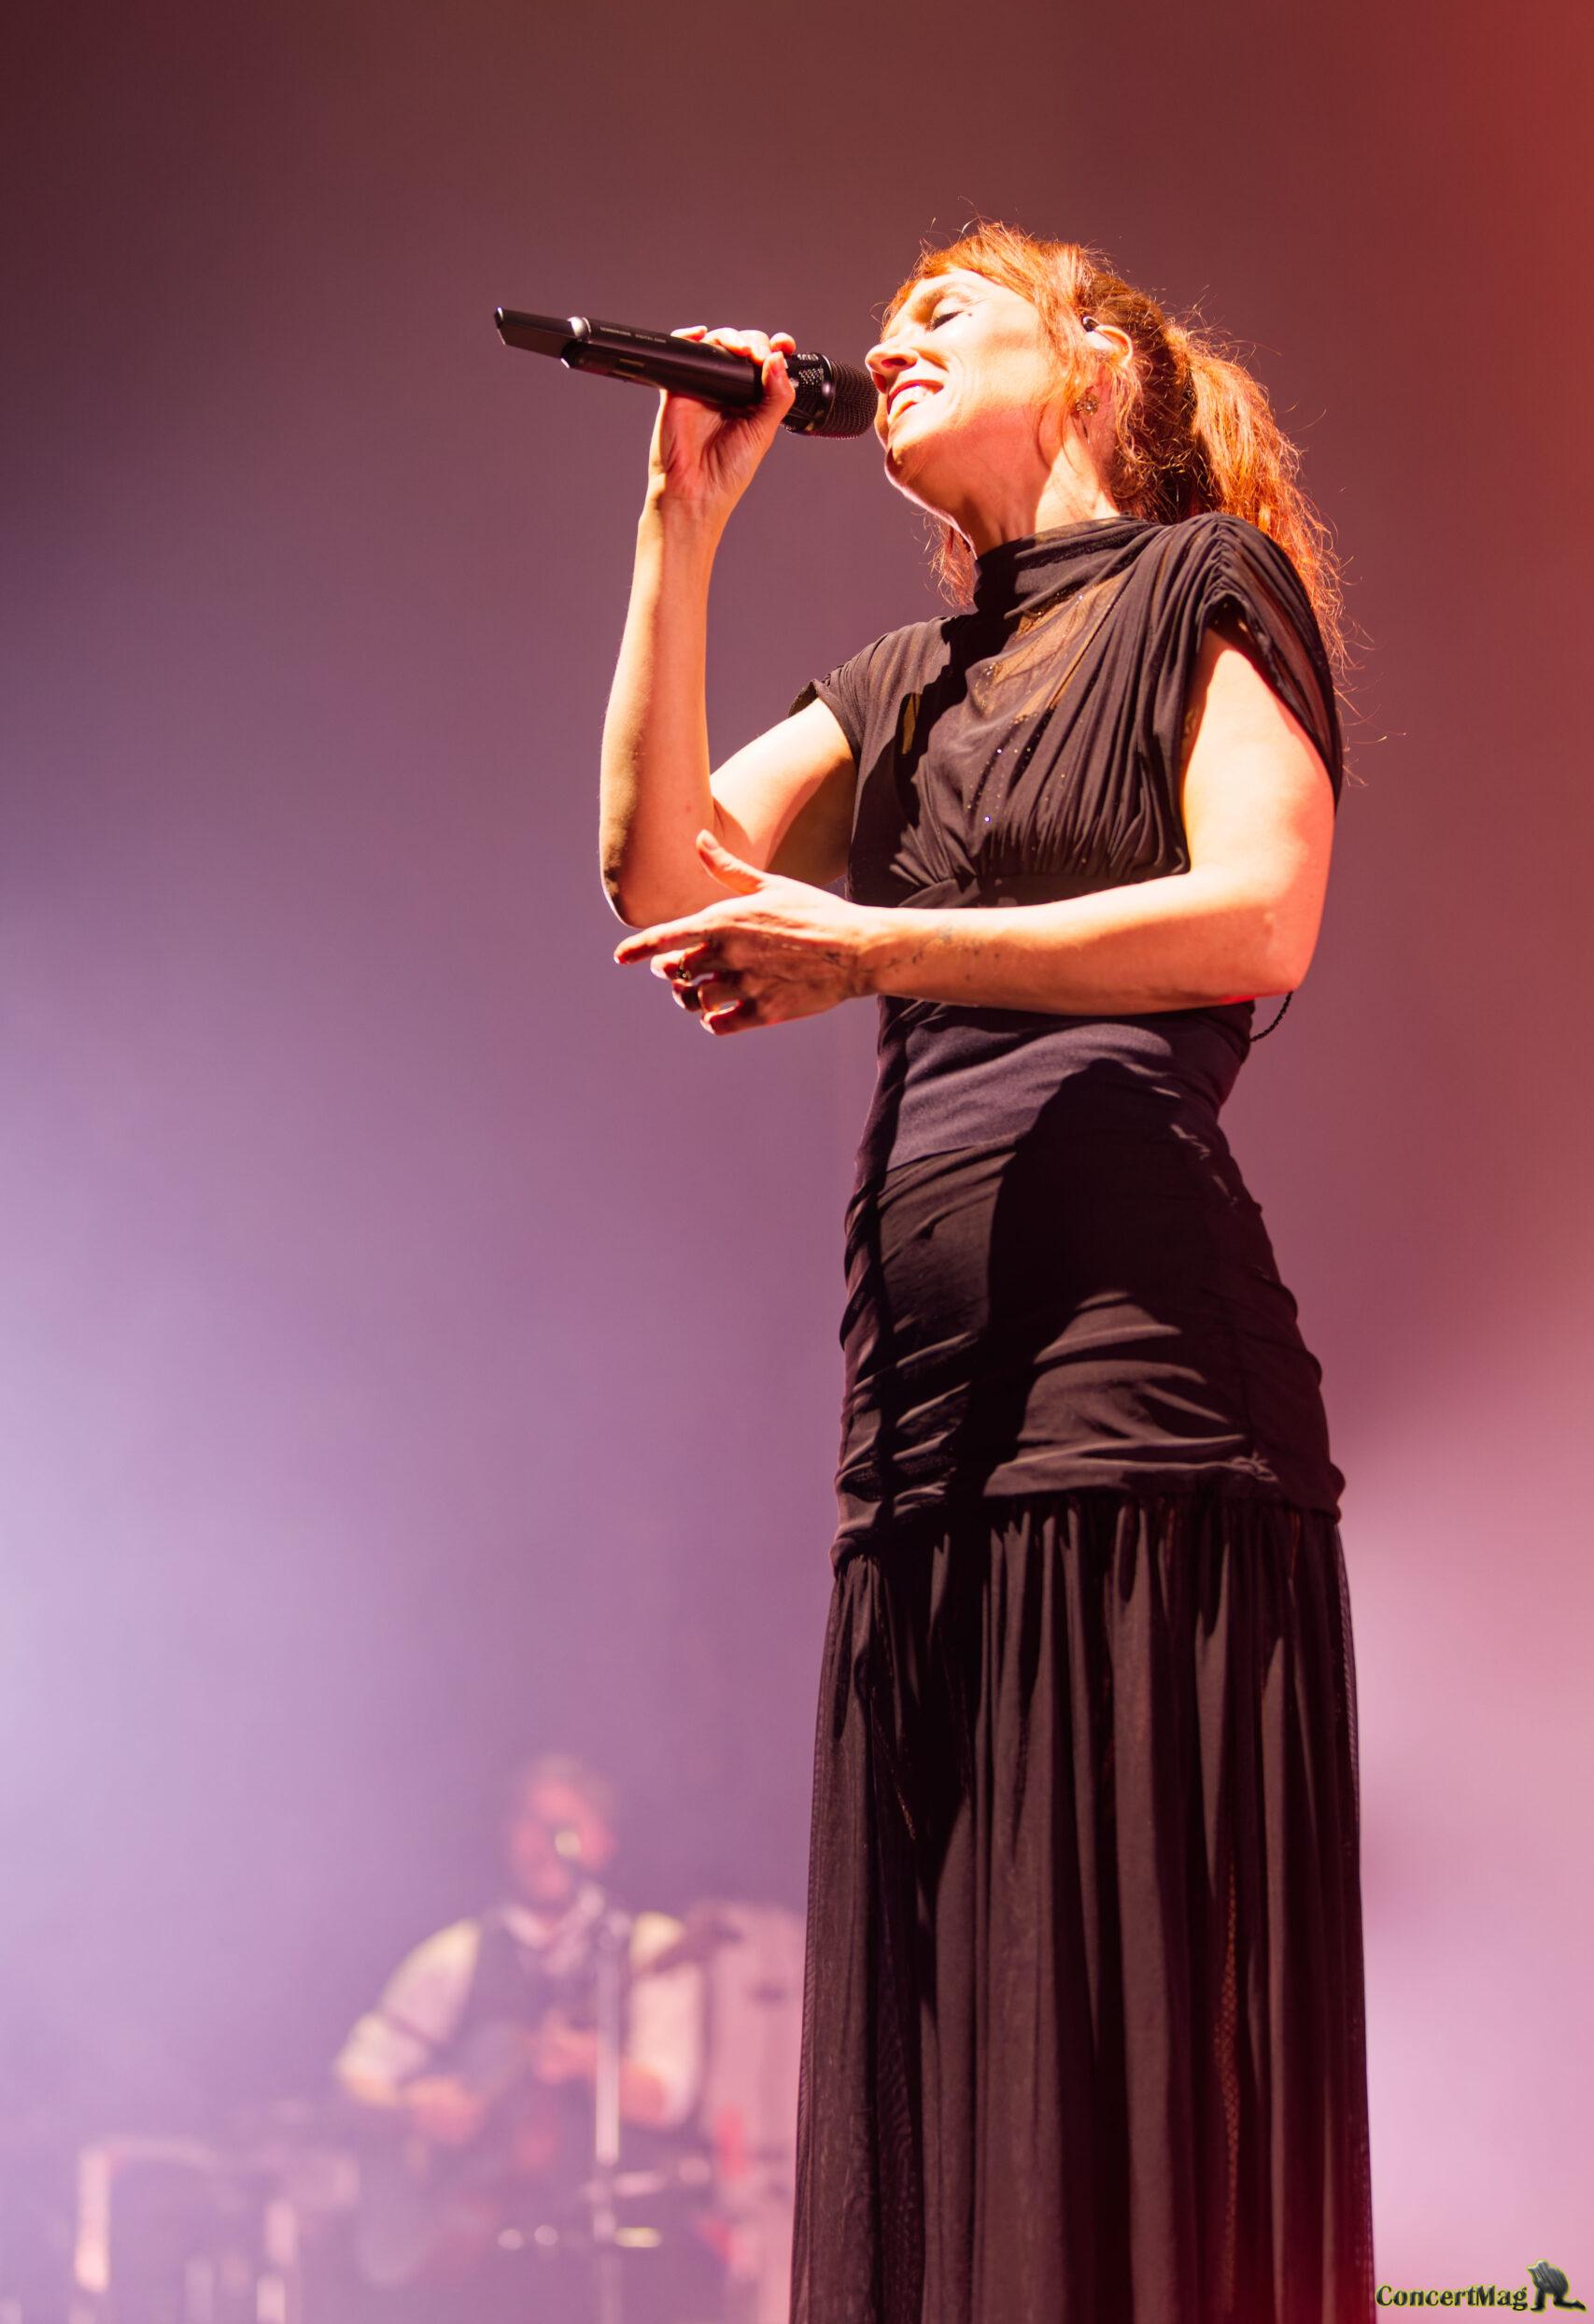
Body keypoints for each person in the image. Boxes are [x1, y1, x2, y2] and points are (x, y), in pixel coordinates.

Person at [600, 220, 1375, 2322]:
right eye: (885, 325)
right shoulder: (904, 682)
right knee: (956, 2079)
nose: (894, 339)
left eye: (948, 307)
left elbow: (1255, 915)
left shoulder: (1200, 586)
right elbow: (659, 869)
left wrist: (872, 945)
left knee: (1122, 2078)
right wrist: (682, 524)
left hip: (1142, 1425)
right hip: (921, 1442)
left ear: (1094, 363)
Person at [332, 1752, 707, 2321]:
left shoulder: (650, 1946)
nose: (546, 1843)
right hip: (482, 2275)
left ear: (604, 1842)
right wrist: (412, 2111)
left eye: (568, 1824)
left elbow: (667, 2099)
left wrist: (590, 2064)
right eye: (532, 1822)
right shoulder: (454, 1957)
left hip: (624, 2263)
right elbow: (353, 2081)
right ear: (505, 1837)